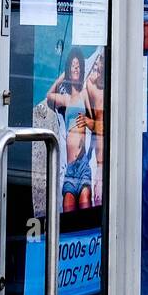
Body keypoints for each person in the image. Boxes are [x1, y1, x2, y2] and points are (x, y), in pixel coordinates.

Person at [48, 48, 93, 211]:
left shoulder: (84, 94)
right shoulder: (66, 99)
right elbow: (49, 96)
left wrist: (88, 121)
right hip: (69, 167)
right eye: (72, 65)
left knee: (85, 206)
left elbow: (95, 122)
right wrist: (62, 77)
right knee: (67, 211)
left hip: (83, 164)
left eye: (78, 65)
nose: (75, 68)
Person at [83, 48, 106, 206]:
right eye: (95, 67)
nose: (95, 70)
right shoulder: (92, 88)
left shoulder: (103, 90)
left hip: (104, 154)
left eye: (99, 67)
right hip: (98, 157)